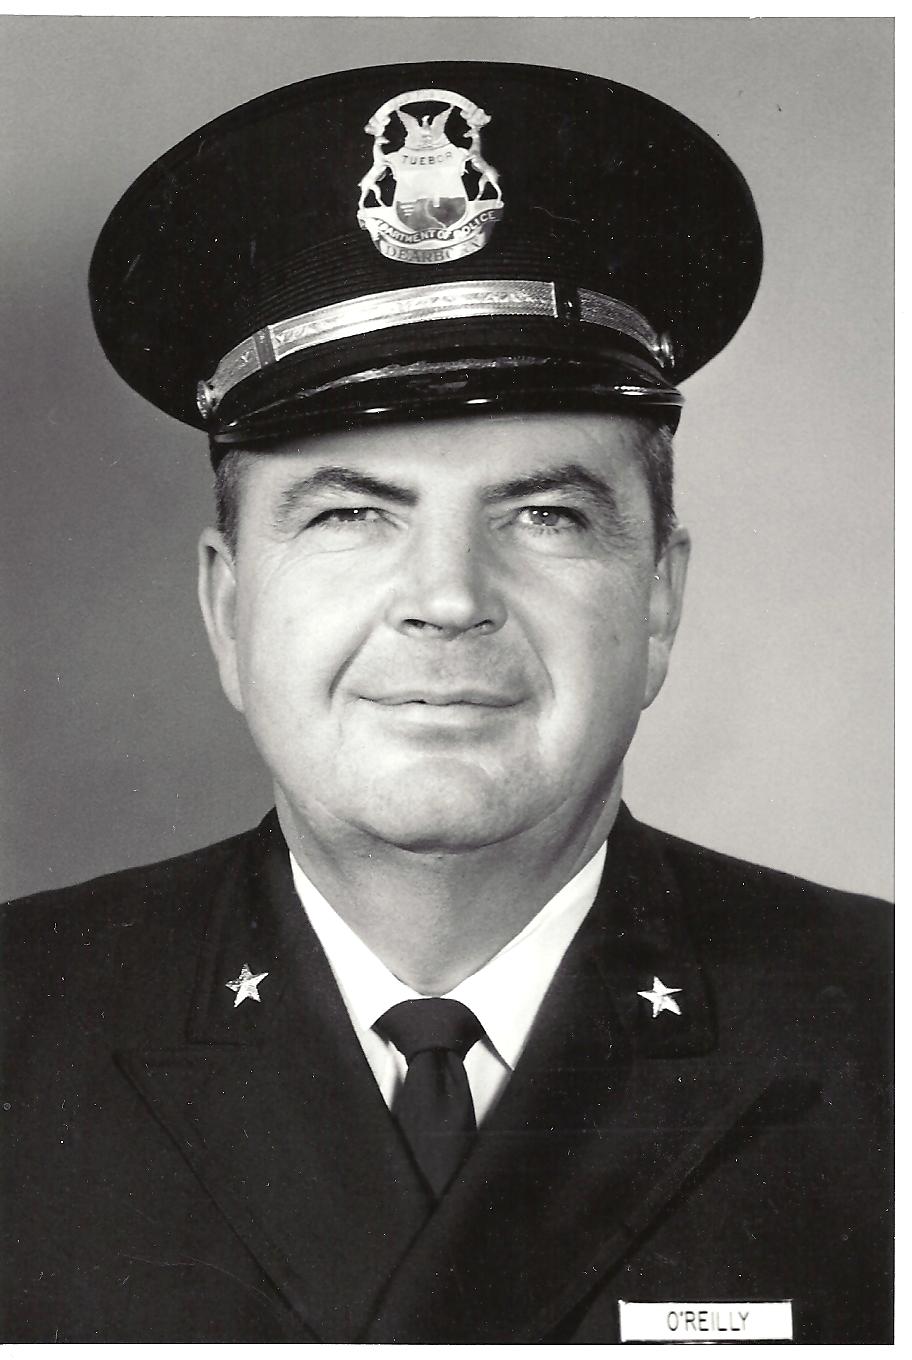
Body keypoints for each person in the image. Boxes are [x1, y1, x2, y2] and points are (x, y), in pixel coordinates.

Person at [0, 60, 891, 1343]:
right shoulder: (21, 1026)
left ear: (656, 600)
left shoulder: (881, 1028)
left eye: (544, 514)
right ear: (229, 607)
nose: (448, 598)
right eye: (352, 515)